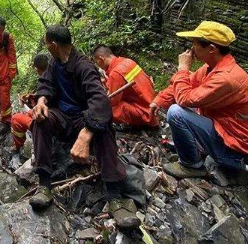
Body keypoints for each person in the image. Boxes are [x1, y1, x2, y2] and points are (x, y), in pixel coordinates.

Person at [29, 25, 138, 229]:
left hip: (81, 118)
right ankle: (44, 184)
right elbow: (46, 84)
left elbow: (100, 100)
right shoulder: (54, 64)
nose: (46, 46)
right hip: (61, 117)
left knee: (104, 130)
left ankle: (115, 196)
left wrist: (86, 133)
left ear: (53, 44)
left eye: (46, 43)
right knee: (40, 121)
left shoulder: (84, 66)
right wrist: (42, 101)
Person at [150, 21, 248, 178]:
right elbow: (185, 83)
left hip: (233, 151)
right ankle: (198, 150)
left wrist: (182, 68)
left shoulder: (227, 78)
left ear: (211, 49)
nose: (191, 50)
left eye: (195, 44)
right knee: (183, 101)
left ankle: (192, 166)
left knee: (176, 112)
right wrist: (160, 100)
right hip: (222, 129)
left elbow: (184, 98)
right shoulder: (212, 67)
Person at [92, 45, 158, 128]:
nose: (98, 66)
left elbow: (113, 101)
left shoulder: (115, 73)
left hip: (145, 113)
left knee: (106, 110)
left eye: (97, 62)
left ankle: (140, 123)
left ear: (101, 58)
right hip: (151, 104)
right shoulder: (127, 61)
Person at [11, 53, 49, 151]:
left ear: (36, 68)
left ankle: (19, 145)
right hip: (52, 113)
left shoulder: (46, 79)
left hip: (47, 118)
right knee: (27, 113)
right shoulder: (53, 76)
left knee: (15, 119)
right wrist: (32, 96)